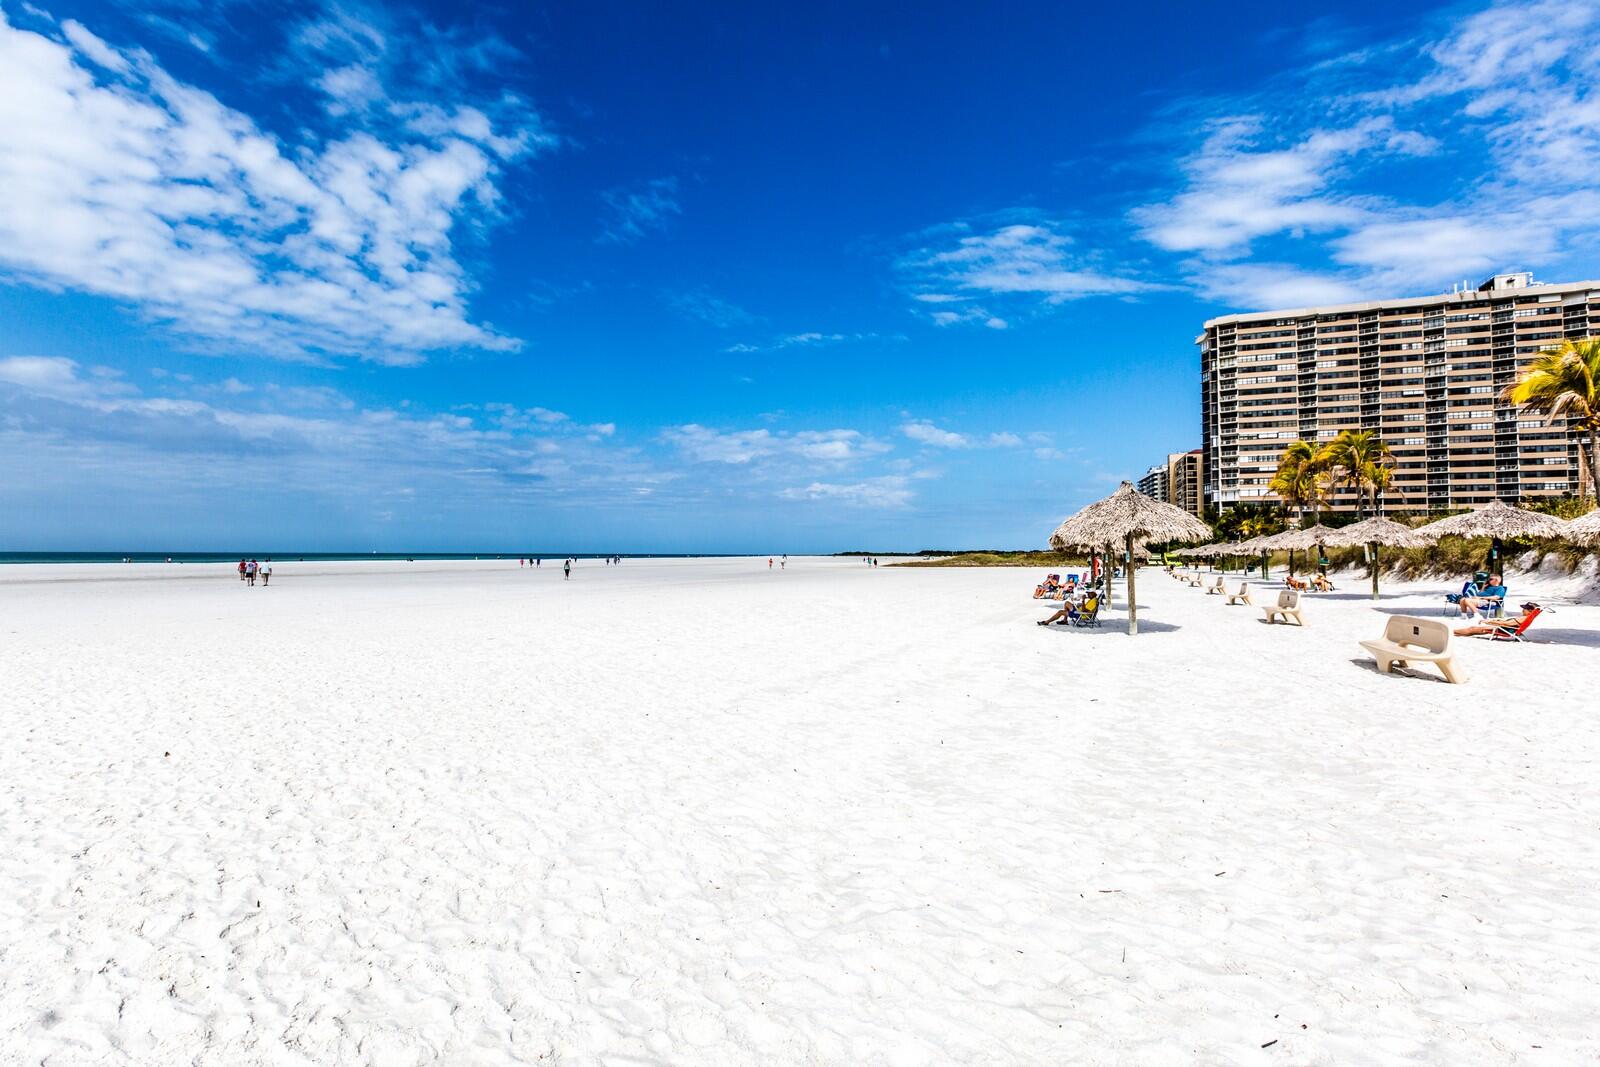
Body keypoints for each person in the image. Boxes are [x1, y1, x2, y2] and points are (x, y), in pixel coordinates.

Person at [1455, 602, 1538, 637]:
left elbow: (1507, 624)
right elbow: (1507, 623)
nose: (1522, 610)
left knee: (1472, 629)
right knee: (1474, 630)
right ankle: (1455, 633)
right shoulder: (1526, 618)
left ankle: (1451, 632)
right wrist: (1497, 621)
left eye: (1525, 609)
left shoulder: (1523, 618)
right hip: (1504, 628)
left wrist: (1490, 621)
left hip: (1502, 629)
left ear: (1530, 611)